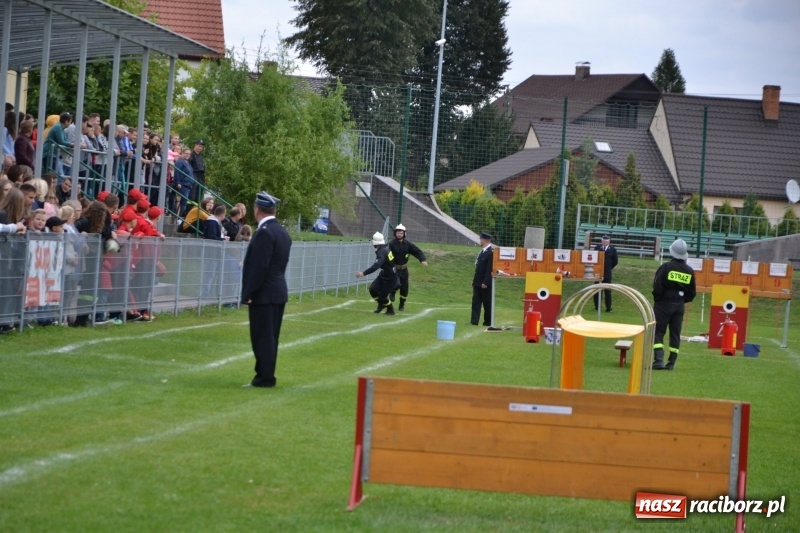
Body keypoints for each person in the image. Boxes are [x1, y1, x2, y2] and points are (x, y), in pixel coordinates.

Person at [241, 191, 292, 388]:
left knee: (262, 337)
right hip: (277, 290)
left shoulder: (265, 233)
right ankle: (265, 375)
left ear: (257, 209)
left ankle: (264, 377)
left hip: (264, 293)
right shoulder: (281, 232)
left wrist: (249, 293)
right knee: (270, 337)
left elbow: (258, 266)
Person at [652, 239, 696, 371]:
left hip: (664, 304)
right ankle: (671, 363)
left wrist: (659, 299)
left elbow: (657, 287)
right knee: (675, 334)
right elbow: (692, 293)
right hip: (679, 305)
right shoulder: (689, 270)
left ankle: (658, 360)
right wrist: (681, 301)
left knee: (658, 332)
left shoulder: (665, 267)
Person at [388, 224, 428, 311]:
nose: (399, 234)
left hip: (404, 270)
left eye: (401, 233)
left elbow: (417, 251)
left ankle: (401, 305)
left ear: (404, 234)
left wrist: (422, 259)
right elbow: (387, 255)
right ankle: (392, 292)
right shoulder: (391, 244)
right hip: (394, 269)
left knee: (404, 288)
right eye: (397, 233)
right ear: (395, 234)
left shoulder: (408, 244)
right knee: (396, 284)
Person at [356, 231, 398, 315]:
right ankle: (381, 305)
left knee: (383, 297)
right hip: (384, 274)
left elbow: (376, 266)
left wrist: (363, 273)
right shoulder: (385, 248)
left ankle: (390, 310)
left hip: (390, 277)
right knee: (373, 290)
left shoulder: (382, 252)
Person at [471, 232, 494, 326]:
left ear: (484, 240)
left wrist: (486, 282)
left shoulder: (491, 252)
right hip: (477, 281)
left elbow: (490, 269)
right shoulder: (482, 251)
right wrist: (474, 280)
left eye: (480, 239)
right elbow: (478, 268)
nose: (479, 241)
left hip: (485, 283)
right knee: (475, 302)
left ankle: (488, 322)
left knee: (487, 303)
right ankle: (474, 321)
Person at [594, 235, 619, 312]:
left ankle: (608, 308)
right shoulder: (597, 248)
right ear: (601, 241)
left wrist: (609, 268)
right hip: (598, 272)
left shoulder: (613, 249)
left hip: (607, 273)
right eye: (603, 241)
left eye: (606, 241)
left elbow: (615, 261)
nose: (605, 242)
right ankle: (597, 307)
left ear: (609, 241)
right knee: (597, 290)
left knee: (607, 291)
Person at [188, 139, 206, 204]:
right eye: (199, 146)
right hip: (194, 174)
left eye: (201, 147)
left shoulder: (201, 157)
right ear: (195, 145)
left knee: (200, 193)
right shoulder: (191, 154)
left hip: (200, 176)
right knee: (193, 193)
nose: (200, 148)